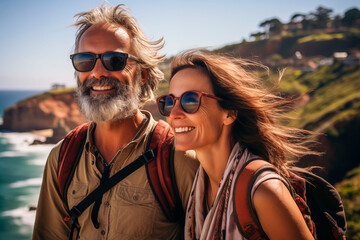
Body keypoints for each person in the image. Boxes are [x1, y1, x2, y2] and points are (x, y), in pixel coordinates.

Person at [33, 5, 198, 240]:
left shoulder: (178, 157)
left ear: (141, 73)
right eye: (85, 60)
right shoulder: (62, 158)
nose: (97, 72)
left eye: (114, 60)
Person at [156, 50, 319, 239]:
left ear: (229, 113)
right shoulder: (198, 185)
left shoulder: (264, 191)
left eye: (190, 101)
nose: (174, 114)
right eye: (169, 102)